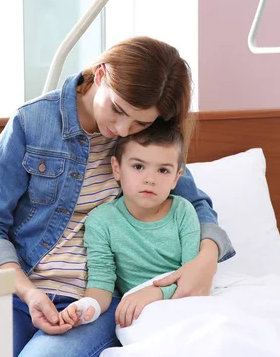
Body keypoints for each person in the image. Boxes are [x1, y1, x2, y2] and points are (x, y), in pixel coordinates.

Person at [0, 36, 235, 357]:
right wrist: (28, 293)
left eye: (140, 121)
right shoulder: (32, 122)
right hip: (20, 292)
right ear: (100, 74)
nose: (123, 129)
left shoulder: (143, 141)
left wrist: (206, 262)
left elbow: (197, 205)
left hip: (98, 299)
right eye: (118, 110)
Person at [58, 120, 201, 330]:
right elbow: (101, 284)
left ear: (176, 178)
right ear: (117, 169)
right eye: (138, 166)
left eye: (163, 170)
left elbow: (192, 276)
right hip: (139, 317)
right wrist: (87, 307)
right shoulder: (102, 220)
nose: (150, 179)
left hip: (183, 305)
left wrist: (154, 293)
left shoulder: (183, 212)